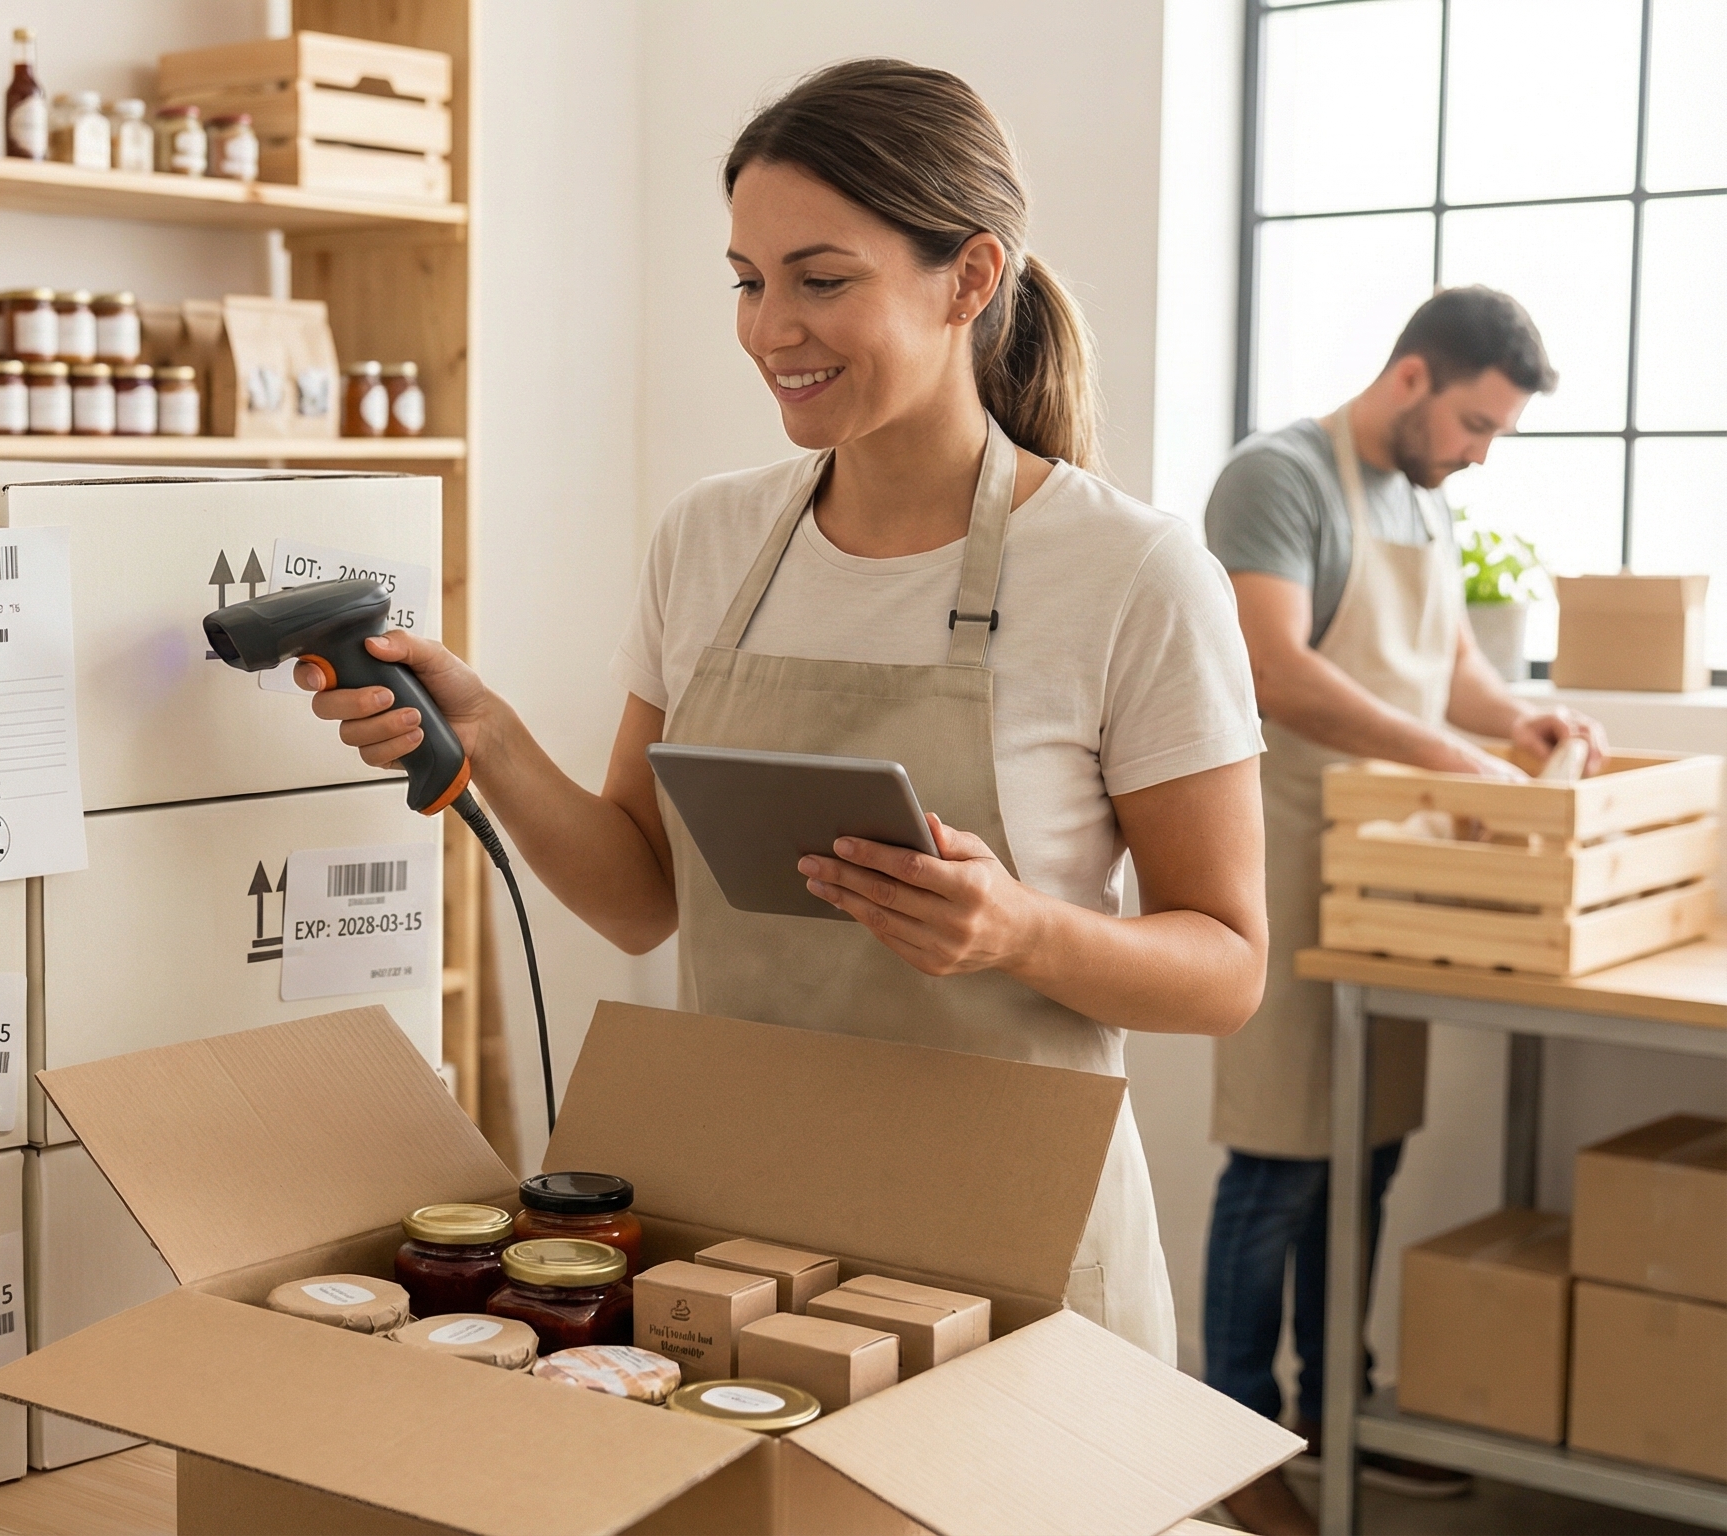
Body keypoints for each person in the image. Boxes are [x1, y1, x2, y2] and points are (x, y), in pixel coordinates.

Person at [298, 58, 1270, 1363]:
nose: (770, 329)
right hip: (752, 1221)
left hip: (1016, 1231)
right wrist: (489, 734)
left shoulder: (1130, 572)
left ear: (970, 279)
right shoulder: (710, 539)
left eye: (823, 280)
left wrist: (1017, 931)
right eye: (750, 282)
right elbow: (644, 898)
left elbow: (1226, 968)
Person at [1202, 287, 1604, 1533]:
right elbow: (1274, 669)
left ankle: (1342, 1417)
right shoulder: (1278, 480)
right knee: (1275, 1165)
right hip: (1285, 859)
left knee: (1367, 1155)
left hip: (1389, 876)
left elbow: (1453, 668)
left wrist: (1510, 723)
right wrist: (1450, 758)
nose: (1482, 454)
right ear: (1415, 377)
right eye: (1478, 423)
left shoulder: (1419, 495)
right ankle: (1229, 1444)